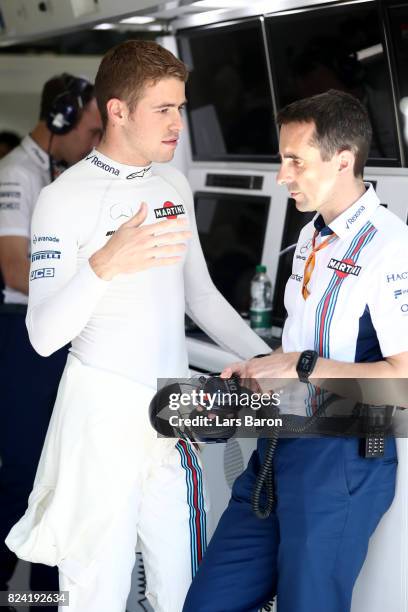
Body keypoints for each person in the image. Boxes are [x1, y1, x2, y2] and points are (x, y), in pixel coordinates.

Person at [4, 40, 270, 612]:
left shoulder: (172, 185)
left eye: (181, 107)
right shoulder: (62, 199)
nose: (179, 123)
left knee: (182, 592)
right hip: (99, 417)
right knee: (93, 593)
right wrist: (106, 263)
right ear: (118, 110)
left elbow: (200, 296)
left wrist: (270, 357)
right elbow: (43, 336)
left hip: (171, 412)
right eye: (164, 109)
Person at [183, 90, 408, 612]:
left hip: (343, 463)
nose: (282, 176)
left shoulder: (391, 248)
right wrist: (263, 368)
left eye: (295, 161)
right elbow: (302, 348)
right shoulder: (309, 236)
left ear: (343, 160)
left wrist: (300, 367)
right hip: (278, 446)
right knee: (208, 603)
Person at [0, 73, 102, 608]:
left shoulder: (63, 173)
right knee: (23, 474)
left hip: (55, 332)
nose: (93, 143)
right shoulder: (17, 172)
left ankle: (43, 600)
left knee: (56, 478)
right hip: (20, 335)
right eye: (89, 130)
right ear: (60, 118)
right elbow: (18, 270)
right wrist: (96, 278)